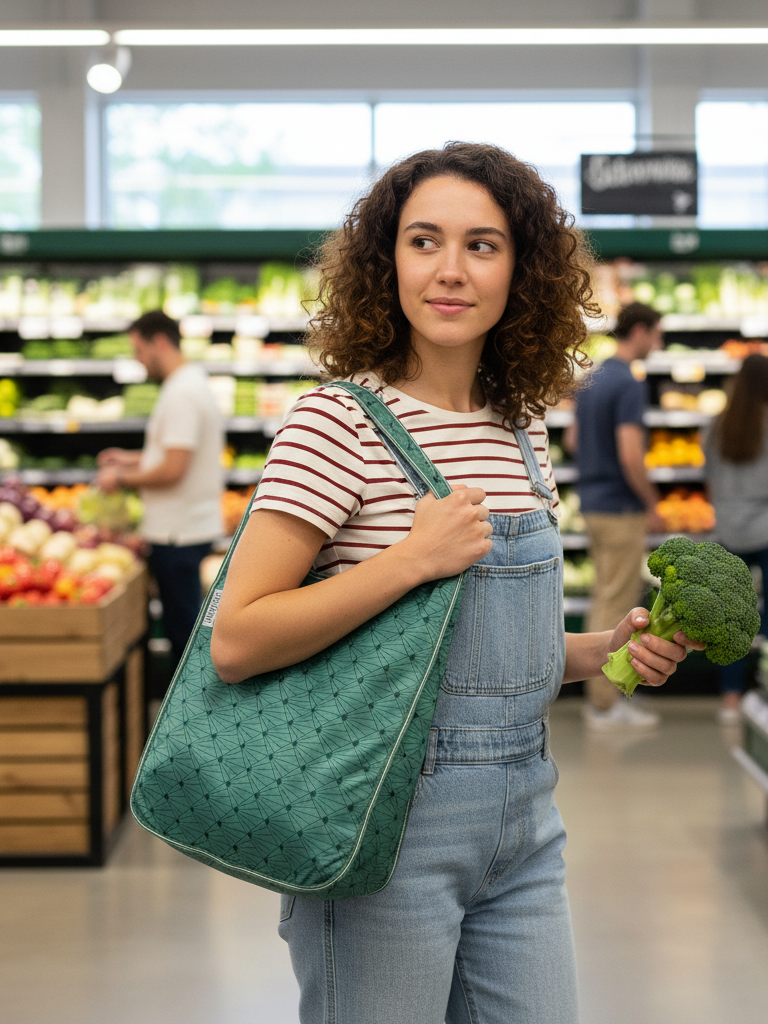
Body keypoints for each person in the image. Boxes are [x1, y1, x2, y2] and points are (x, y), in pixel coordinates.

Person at [208, 143, 701, 1024]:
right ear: (384, 261)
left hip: (526, 820)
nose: (449, 270)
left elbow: (482, 660)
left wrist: (606, 651)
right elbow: (239, 639)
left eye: (482, 245)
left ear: (524, 270)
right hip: (382, 821)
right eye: (423, 240)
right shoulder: (337, 423)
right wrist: (409, 559)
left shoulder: (521, 432)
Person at [97, 309, 222, 679]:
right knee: (187, 635)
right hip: (184, 529)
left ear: (161, 342)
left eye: (138, 349)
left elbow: (173, 469)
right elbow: (172, 454)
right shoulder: (188, 384)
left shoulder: (182, 393)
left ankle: (193, 729)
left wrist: (120, 479)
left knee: (185, 645)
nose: (137, 360)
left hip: (178, 536)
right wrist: (132, 459)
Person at [566, 302, 665, 730]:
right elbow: (630, 453)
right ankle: (605, 703)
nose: (658, 344)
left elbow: (571, 438)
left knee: (606, 594)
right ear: (640, 331)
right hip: (621, 505)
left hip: (592, 500)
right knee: (617, 601)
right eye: (657, 334)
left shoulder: (594, 376)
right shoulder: (627, 383)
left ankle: (603, 699)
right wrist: (651, 501)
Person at [704, 353, 768, 724]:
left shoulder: (716, 425)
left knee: (731, 618)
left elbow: (711, 482)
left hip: (730, 530)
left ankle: (730, 700)